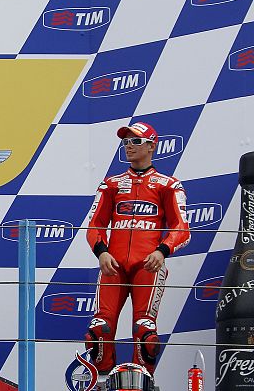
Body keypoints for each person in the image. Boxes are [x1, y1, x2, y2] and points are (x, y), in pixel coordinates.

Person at [84, 122, 190, 376]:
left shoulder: (168, 185)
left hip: (148, 266)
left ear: (152, 146)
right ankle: (101, 381)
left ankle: (142, 381)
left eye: (136, 141)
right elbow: (94, 224)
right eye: (126, 142)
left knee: (145, 331)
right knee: (99, 329)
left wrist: (162, 250)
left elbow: (182, 228)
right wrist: (102, 251)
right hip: (113, 266)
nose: (129, 146)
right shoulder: (111, 184)